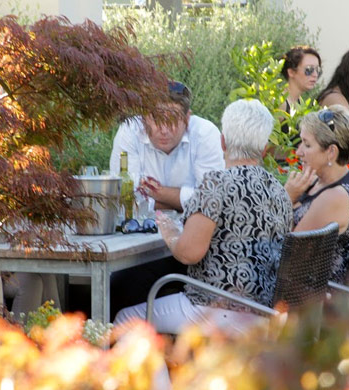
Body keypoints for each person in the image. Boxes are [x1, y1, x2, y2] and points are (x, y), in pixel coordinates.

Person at [114, 99, 294, 335]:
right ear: (263, 149)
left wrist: (171, 234)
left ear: (222, 142)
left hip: (215, 308)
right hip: (265, 312)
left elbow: (189, 253)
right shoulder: (279, 190)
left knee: (124, 319)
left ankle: (158, 375)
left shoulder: (216, 184)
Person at [109, 80, 224, 212]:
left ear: (187, 119)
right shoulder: (129, 131)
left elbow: (213, 199)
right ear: (144, 118)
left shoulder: (205, 133)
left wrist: (157, 192)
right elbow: (123, 199)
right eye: (157, 119)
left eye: (172, 120)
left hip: (194, 227)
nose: (164, 130)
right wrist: (182, 204)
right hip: (138, 228)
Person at [284, 105, 349, 283]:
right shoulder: (321, 183)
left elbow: (289, 254)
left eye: (307, 145)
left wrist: (287, 198)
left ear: (331, 152)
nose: (298, 152)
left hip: (314, 298)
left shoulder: (335, 197)